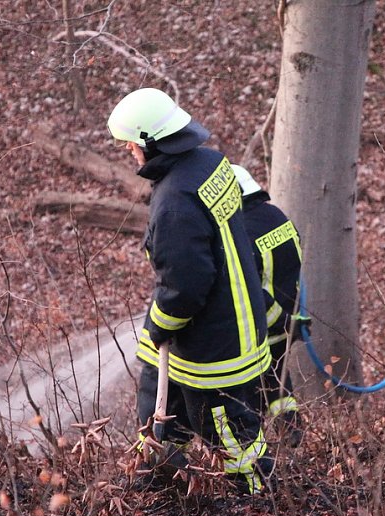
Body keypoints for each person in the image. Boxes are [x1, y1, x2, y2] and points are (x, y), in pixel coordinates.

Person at [107, 87, 273, 494]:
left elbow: (185, 287)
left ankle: (260, 508)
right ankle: (168, 493)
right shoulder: (211, 164)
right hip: (227, 323)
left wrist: (158, 326)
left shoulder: (174, 203)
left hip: (213, 347)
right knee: (164, 420)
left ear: (151, 140)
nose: (129, 151)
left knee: (230, 437)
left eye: (131, 143)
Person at [232, 164, 305, 447]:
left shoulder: (243, 231)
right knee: (279, 387)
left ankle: (261, 454)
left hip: (263, 327)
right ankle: (294, 442)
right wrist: (291, 320)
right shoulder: (278, 217)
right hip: (287, 325)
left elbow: (250, 290)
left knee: (250, 397)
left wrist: (280, 319)